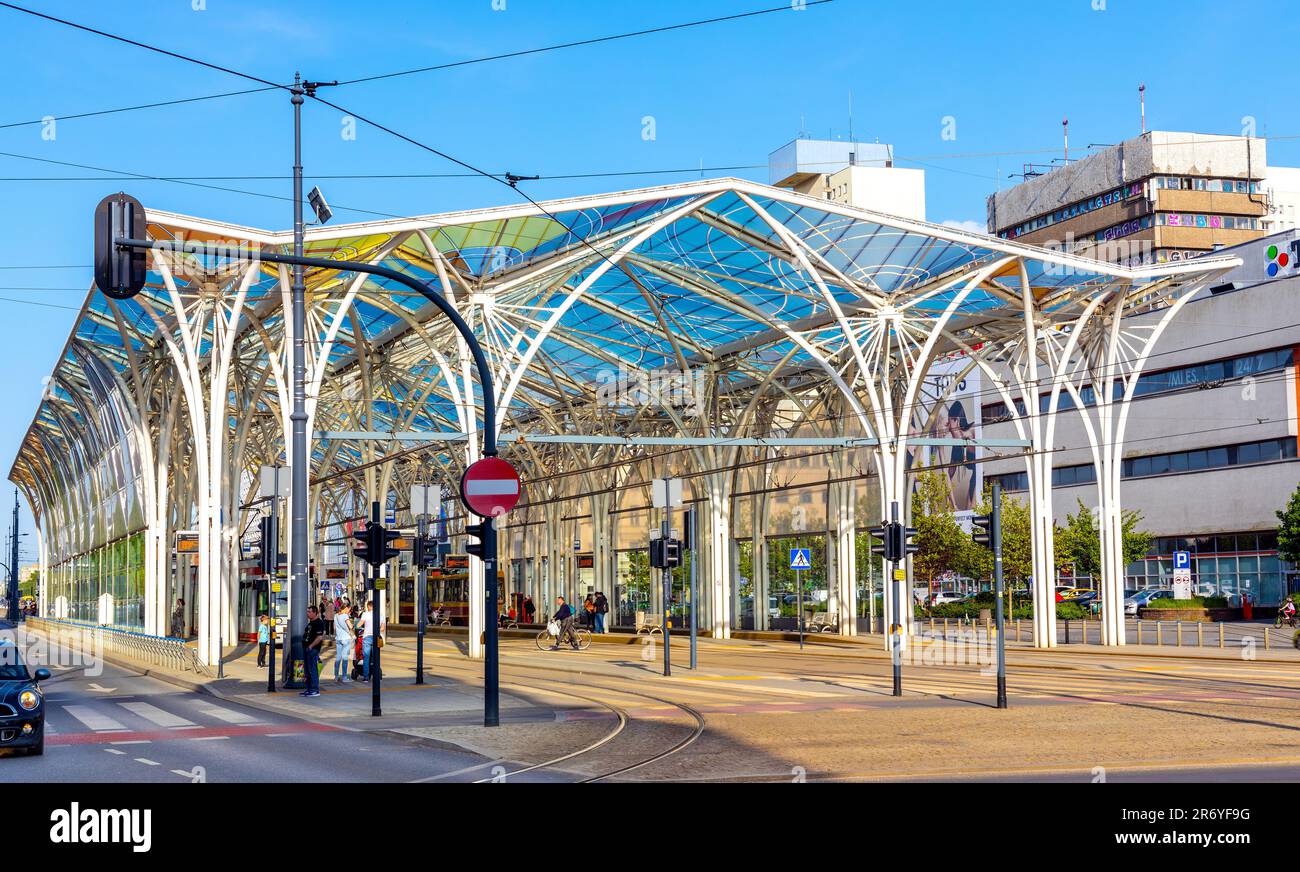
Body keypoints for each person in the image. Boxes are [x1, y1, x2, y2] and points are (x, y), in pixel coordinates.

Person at [301, 605, 325, 697]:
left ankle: (315, 690)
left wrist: (311, 646)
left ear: (315, 613)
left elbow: (319, 637)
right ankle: (309, 689)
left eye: (309, 612)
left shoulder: (319, 623)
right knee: (307, 670)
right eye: (307, 611)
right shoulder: (310, 623)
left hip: (313, 649)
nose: (308, 613)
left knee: (312, 670)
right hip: (307, 648)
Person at [359, 600, 383, 681]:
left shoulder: (365, 614)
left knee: (366, 658)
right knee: (376, 658)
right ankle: (376, 676)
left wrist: (355, 625)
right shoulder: (380, 615)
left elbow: (359, 624)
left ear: (369, 606)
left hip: (367, 637)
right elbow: (383, 628)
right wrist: (376, 630)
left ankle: (366, 677)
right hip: (377, 637)